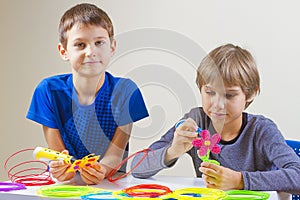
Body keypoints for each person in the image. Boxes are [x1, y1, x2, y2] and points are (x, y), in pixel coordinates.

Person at [131, 43, 300, 193]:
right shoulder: (196, 120)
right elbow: (136, 167)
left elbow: (297, 176)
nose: (218, 104)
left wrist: (240, 181)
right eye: (210, 92)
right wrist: (172, 151)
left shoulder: (261, 130)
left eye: (229, 95)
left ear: (251, 93)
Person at [26, 3, 148, 185]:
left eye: (99, 42)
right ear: (63, 51)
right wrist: (62, 170)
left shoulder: (126, 91)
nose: (91, 52)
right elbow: (59, 155)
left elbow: (115, 155)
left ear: (112, 47)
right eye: (80, 44)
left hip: (111, 185)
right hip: (67, 187)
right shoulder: (48, 91)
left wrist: (102, 170)